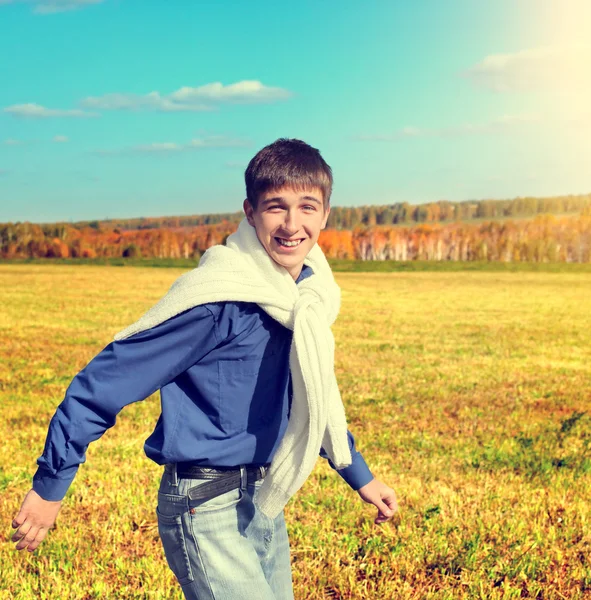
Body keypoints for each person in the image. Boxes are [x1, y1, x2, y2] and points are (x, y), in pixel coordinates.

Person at [11, 138, 398, 599]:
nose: (293, 225)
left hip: (263, 499)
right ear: (250, 212)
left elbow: (310, 398)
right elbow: (100, 385)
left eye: (307, 207)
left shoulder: (306, 300)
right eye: (276, 207)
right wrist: (51, 485)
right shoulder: (215, 300)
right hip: (204, 505)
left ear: (326, 215)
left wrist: (360, 474)